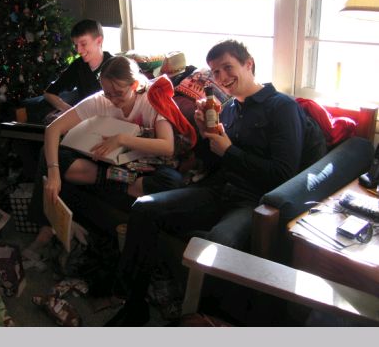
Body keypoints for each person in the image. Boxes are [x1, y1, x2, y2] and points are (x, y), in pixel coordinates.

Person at [105, 39, 327, 326]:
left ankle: (203, 319)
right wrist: (202, 133)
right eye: (216, 72)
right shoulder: (229, 108)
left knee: (217, 243)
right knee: (144, 207)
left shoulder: (281, 107)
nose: (222, 77)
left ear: (249, 64)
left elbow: (283, 174)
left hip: (253, 201)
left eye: (228, 67)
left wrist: (229, 151)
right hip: (218, 190)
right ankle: (133, 304)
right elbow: (212, 162)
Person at [26, 55, 190, 253]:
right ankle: (46, 228)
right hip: (108, 164)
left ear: (134, 85)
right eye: (107, 94)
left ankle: (99, 185)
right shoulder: (100, 100)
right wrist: (53, 174)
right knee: (52, 155)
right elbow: (53, 129)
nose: (113, 100)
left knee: (172, 182)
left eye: (119, 94)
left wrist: (121, 139)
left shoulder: (151, 100)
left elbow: (167, 146)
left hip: (144, 166)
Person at [43, 19, 113, 112]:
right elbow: (49, 93)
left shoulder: (115, 65)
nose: (78, 50)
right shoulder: (78, 66)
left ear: (99, 41)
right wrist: (72, 112)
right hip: (86, 118)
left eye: (83, 44)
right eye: (76, 45)